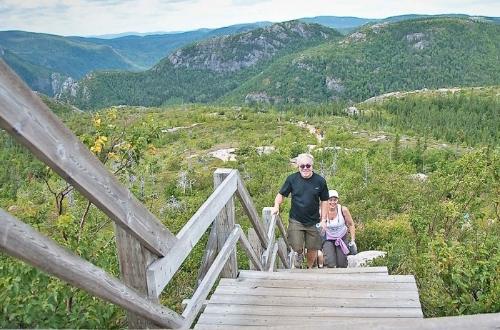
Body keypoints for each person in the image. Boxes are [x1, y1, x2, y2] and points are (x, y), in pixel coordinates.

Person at [271, 153, 329, 269]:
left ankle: (309, 268)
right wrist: (276, 205)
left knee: (312, 248)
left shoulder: (320, 181)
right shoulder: (292, 179)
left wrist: (323, 220)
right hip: (296, 219)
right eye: (302, 166)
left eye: (308, 165)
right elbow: (281, 195)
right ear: (298, 167)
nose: (305, 168)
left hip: (313, 221)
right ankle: (299, 253)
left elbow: (324, 201)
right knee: (296, 245)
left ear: (312, 166)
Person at [319, 189, 356, 268]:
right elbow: (317, 226)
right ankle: (331, 278)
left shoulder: (343, 210)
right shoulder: (321, 211)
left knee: (342, 263)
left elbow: (351, 224)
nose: (333, 202)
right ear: (327, 200)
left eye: (335, 200)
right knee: (330, 262)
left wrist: (353, 241)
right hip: (328, 237)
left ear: (337, 200)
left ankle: (343, 279)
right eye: (330, 200)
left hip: (341, 237)